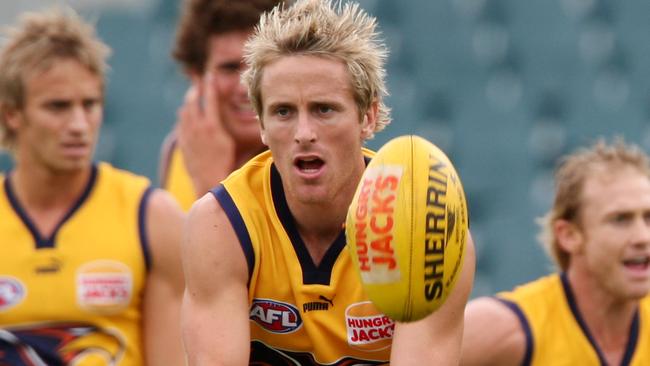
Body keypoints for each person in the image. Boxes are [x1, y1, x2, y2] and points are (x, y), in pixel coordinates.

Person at [181, 0, 475, 364]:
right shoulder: (222, 224)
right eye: (283, 111)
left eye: (324, 109)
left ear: (367, 117)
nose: (304, 133)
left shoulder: (426, 227)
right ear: (261, 125)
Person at [0, 8, 185, 365]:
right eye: (58, 107)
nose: (79, 124)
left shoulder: (151, 217)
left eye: (90, 104)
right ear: (13, 114)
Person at [461, 140, 650, 366]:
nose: (643, 237)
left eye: (649, 218)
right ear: (569, 235)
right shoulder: (510, 328)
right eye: (620, 219)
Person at [159, 0, 283, 212]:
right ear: (196, 77)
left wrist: (211, 185)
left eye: (259, 65)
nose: (246, 86)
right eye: (229, 68)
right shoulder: (178, 148)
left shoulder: (301, 161)